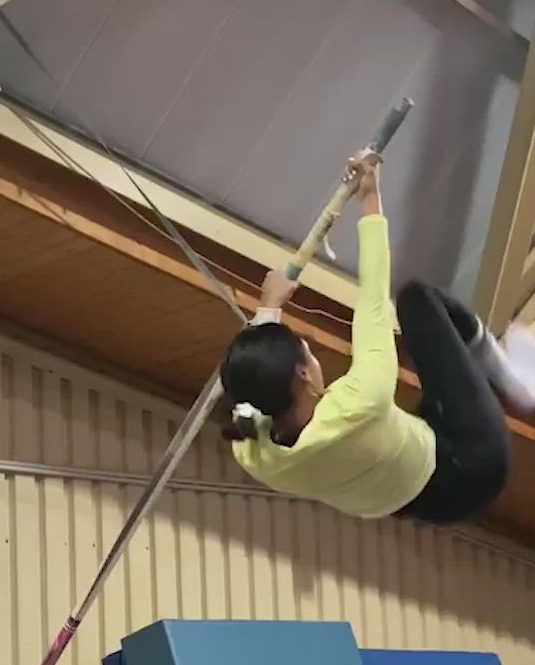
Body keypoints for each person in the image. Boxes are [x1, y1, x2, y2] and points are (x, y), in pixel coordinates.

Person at [220, 151, 535, 525]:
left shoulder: (256, 451)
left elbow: (251, 377)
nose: (315, 359)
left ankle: (488, 375)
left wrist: (270, 308)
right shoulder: (358, 401)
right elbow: (374, 296)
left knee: (445, 384)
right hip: (474, 460)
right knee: (418, 300)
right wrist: (371, 198)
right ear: (304, 374)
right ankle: (517, 383)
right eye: (310, 353)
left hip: (424, 496)